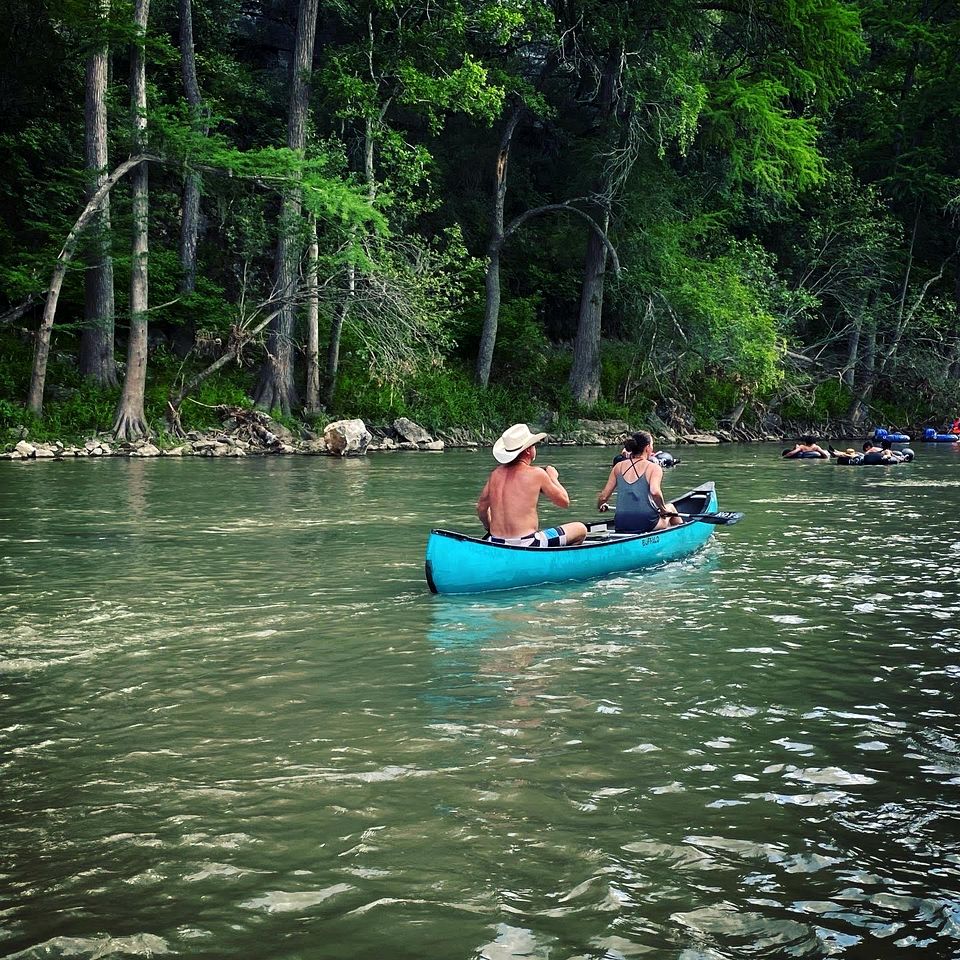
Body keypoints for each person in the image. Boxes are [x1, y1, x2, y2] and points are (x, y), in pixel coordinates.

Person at [476, 423, 588, 547]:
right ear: (528, 450)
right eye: (534, 445)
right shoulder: (537, 474)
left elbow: (481, 508)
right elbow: (564, 501)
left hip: (496, 541)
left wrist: (490, 528)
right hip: (528, 543)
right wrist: (553, 477)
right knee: (580, 529)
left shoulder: (495, 475)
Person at [596, 431, 683, 533]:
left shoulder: (618, 467)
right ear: (647, 448)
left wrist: (600, 505)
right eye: (652, 445)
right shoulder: (654, 468)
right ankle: (683, 536)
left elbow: (603, 497)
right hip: (646, 523)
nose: (652, 449)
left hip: (621, 523)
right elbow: (655, 492)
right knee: (671, 508)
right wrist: (663, 510)